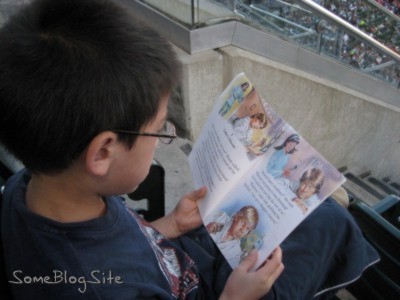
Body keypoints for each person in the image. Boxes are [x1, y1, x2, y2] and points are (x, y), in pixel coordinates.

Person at [0, 0, 379, 299]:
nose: (167, 134)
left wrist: (170, 226)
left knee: (319, 210)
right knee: (330, 222)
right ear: (102, 153)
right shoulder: (98, 288)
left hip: (179, 256)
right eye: (159, 129)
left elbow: (127, 243)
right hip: (217, 291)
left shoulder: (33, 186)